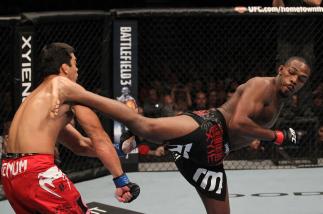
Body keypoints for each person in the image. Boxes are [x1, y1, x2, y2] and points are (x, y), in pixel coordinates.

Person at [94, 56, 311, 214]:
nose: (294, 80)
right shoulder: (261, 85)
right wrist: (277, 136)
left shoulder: (280, 100)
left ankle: (139, 136)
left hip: (213, 154)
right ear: (281, 69)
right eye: (292, 72)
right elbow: (237, 123)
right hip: (210, 128)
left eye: (301, 79)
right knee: (146, 126)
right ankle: (81, 95)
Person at [1, 43, 139, 213]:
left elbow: (80, 144)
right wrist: (121, 180)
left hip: (10, 173)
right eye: (75, 63)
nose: (77, 69)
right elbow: (99, 137)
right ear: (65, 68)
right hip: (37, 172)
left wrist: (119, 149)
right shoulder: (62, 85)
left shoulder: (39, 100)